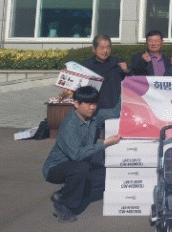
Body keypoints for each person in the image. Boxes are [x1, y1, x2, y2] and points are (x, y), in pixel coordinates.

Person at [43, 86, 121, 222]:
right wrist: (105, 143)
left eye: (94, 103)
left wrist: (124, 92)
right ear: (76, 104)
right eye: (88, 104)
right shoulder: (69, 125)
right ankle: (64, 205)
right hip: (55, 168)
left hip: (79, 162)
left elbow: (116, 112)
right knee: (81, 168)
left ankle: (63, 193)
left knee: (107, 170)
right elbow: (77, 155)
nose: (92, 107)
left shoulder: (94, 116)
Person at [81, 35, 128, 109]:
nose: (105, 51)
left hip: (114, 108)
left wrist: (126, 70)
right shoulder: (86, 66)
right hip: (93, 108)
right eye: (102, 48)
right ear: (93, 49)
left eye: (108, 47)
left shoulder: (118, 63)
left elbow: (130, 82)